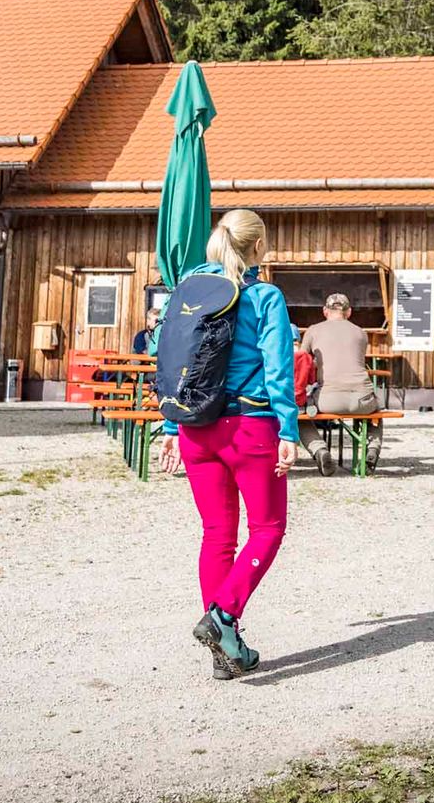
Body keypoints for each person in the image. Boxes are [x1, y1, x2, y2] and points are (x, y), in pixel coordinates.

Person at [155, 209, 298, 681]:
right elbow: (278, 370)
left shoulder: (191, 292)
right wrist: (289, 431)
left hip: (196, 427)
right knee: (268, 528)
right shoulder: (264, 297)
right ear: (257, 248)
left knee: (217, 533)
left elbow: (175, 357)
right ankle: (222, 618)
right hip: (250, 427)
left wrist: (173, 428)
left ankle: (225, 651)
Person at [298, 292, 380, 476]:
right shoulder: (360, 332)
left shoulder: (313, 330)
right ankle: (373, 447)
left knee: (297, 417)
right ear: (348, 312)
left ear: (325, 311)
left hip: (328, 399)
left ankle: (320, 450)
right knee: (377, 411)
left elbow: (302, 362)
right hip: (362, 399)